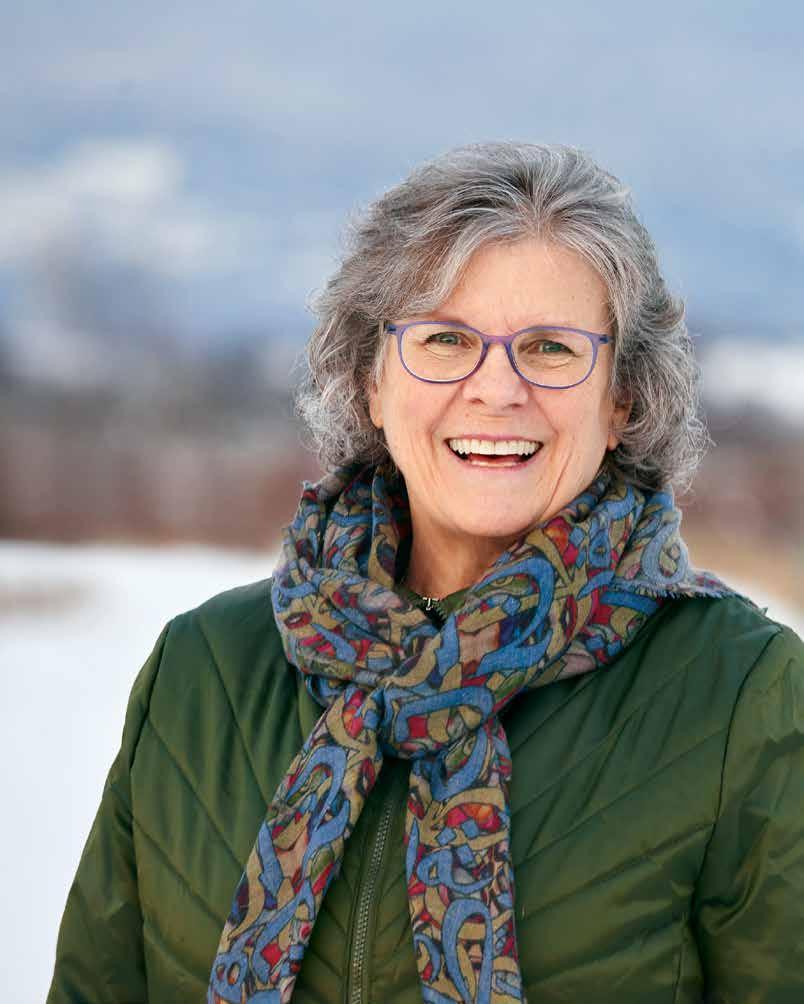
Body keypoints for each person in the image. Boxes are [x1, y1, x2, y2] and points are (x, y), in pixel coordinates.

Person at [48, 143, 804, 1004]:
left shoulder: (739, 694)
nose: (497, 389)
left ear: (622, 398)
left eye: (550, 348)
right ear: (370, 380)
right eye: (446, 339)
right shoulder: (204, 670)